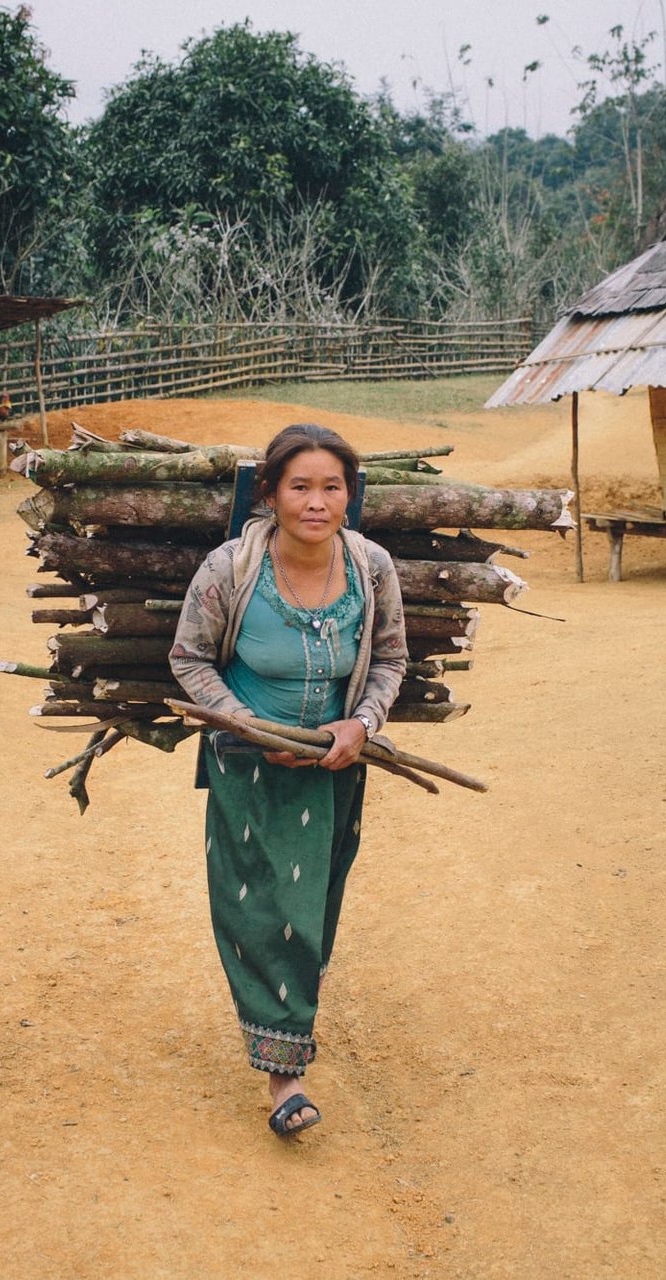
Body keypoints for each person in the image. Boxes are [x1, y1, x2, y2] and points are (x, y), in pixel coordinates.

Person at [170, 423, 408, 1137]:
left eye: (331, 487)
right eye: (299, 486)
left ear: (349, 494)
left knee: (312, 909)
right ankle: (284, 1075)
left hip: (335, 770)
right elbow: (190, 660)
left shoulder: (371, 568)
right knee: (262, 911)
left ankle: (290, 1019)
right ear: (269, 494)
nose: (316, 501)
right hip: (248, 766)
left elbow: (392, 659)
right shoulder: (230, 568)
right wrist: (248, 727)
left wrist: (360, 725)